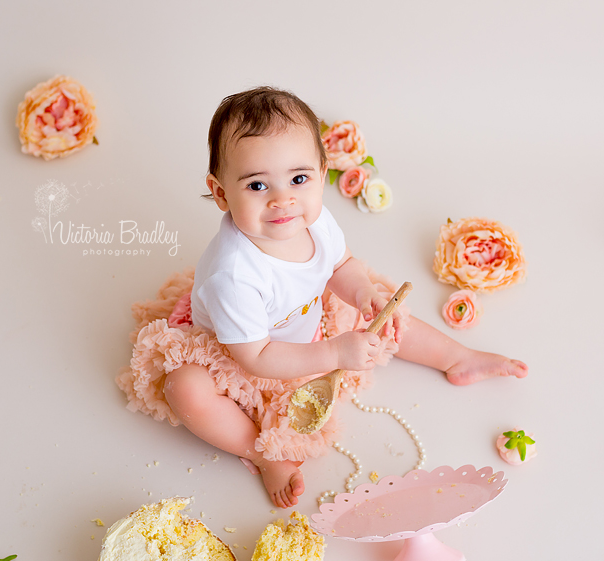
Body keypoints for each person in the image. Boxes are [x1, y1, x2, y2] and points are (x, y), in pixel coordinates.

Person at [117, 87, 527, 509]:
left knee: (383, 310)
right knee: (186, 389)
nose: (283, 200)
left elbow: (340, 265)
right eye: (258, 185)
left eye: (298, 179)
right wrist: (333, 354)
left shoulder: (313, 221)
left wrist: (363, 292)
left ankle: (456, 357)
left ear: (320, 171)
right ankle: (261, 453)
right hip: (242, 353)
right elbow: (255, 358)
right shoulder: (233, 276)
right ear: (221, 193)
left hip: (311, 322)